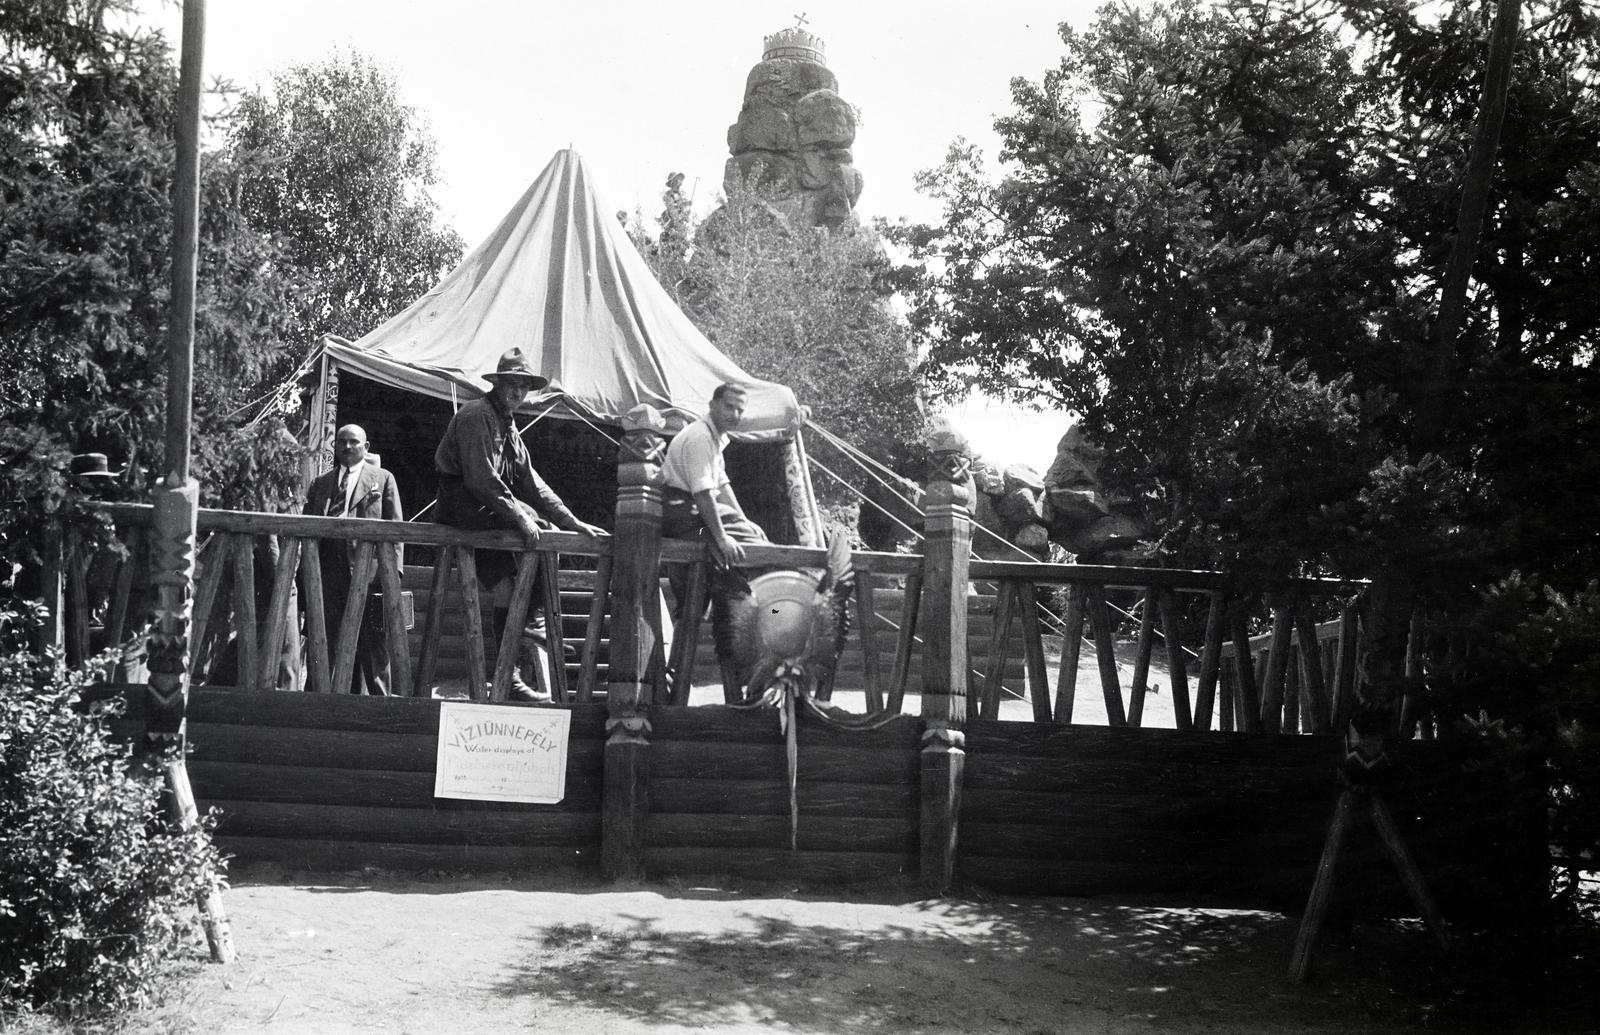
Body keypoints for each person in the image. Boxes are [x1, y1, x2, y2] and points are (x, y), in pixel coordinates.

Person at [434, 346, 606, 702]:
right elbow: (482, 479)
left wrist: (572, 520)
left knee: (511, 586)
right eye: (511, 384)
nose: (517, 392)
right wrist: (523, 517)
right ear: (497, 384)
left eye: (523, 386)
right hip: (463, 503)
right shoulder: (476, 414)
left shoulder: (508, 425)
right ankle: (533, 623)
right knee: (536, 534)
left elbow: (531, 482)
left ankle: (514, 662)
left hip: (487, 507)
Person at [660, 382, 772, 693]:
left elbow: (722, 487)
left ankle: (740, 656)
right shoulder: (699, 437)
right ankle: (745, 656)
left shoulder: (716, 439)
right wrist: (722, 537)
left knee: (747, 545)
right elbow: (703, 492)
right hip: (686, 519)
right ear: (712, 405)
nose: (735, 414)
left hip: (695, 515)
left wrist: (745, 522)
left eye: (740, 409)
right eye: (729, 407)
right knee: (755, 552)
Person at [305, 424, 404, 695]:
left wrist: (392, 575)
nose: (347, 447)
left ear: (366, 447)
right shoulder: (320, 483)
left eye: (353, 442)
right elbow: (306, 530)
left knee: (373, 643)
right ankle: (316, 704)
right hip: (327, 573)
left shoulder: (382, 479)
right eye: (342, 442)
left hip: (369, 573)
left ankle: (379, 704)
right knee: (323, 638)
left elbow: (395, 529)